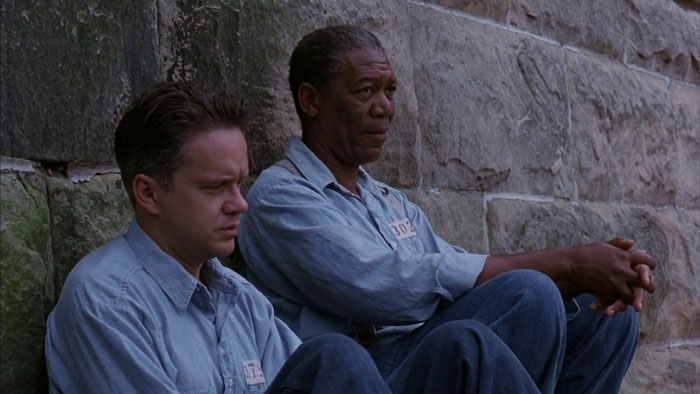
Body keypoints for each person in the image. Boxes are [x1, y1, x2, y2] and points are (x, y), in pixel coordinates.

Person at [238, 25, 657, 394]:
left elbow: (452, 265)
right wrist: (564, 264)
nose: (385, 107)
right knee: (529, 292)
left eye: (390, 90)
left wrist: (582, 276)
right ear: (310, 101)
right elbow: (386, 286)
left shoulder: (387, 199)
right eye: (366, 91)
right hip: (366, 373)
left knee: (609, 317)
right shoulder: (281, 195)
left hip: (426, 346)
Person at [44, 81, 394, 394]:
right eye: (215, 187)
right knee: (336, 356)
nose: (240, 204)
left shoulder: (242, 299)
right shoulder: (107, 301)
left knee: (448, 347)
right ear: (148, 194)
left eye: (239, 184)